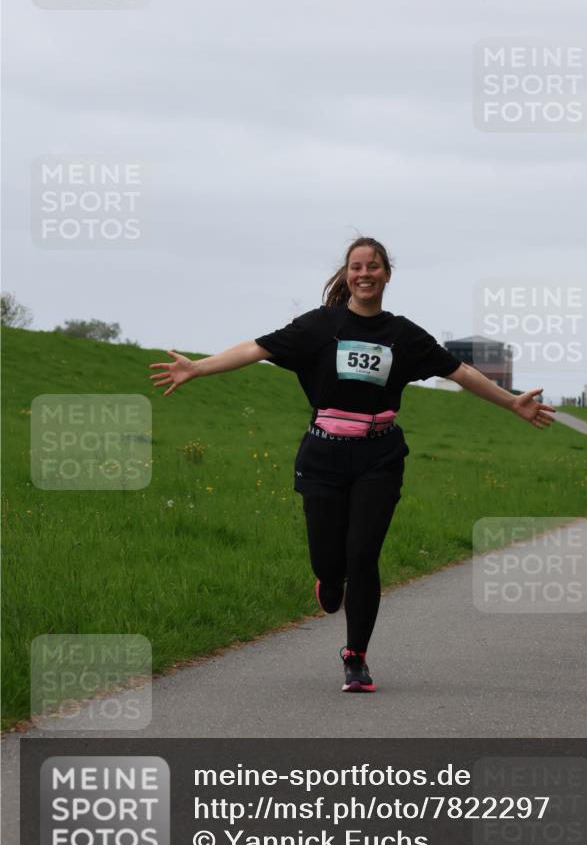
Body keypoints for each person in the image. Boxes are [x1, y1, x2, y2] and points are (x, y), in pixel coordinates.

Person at [149, 236, 556, 693]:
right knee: (330, 559)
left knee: (363, 555)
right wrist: (197, 368)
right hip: (322, 456)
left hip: (378, 456)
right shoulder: (320, 326)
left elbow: (458, 372)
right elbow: (257, 348)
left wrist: (511, 403)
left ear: (387, 274)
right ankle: (328, 577)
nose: (365, 274)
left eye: (374, 266)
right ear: (347, 274)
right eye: (356, 267)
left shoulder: (403, 335)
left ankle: (356, 657)